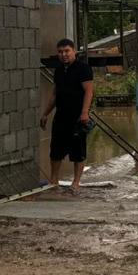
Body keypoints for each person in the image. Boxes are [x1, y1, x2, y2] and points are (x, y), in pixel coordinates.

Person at [40, 38, 94, 194]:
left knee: (77, 151)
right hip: (61, 116)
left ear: (74, 51)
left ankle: (76, 182)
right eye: (60, 52)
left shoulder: (83, 69)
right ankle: (54, 180)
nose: (64, 54)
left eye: (67, 51)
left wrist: (85, 112)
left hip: (77, 117)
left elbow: (89, 91)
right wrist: (45, 113)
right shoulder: (58, 70)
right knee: (55, 150)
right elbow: (55, 94)